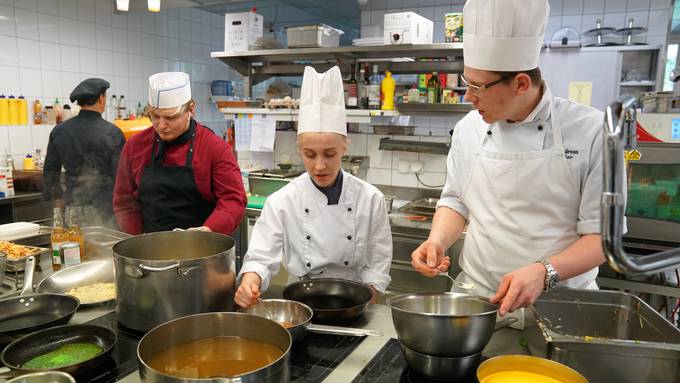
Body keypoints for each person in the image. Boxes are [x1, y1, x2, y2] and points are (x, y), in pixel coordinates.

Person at [411, 0, 621, 317]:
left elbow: (602, 238)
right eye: (467, 83)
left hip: (559, 308)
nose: (469, 97)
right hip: (478, 304)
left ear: (521, 83)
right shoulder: (468, 129)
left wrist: (544, 271)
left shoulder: (592, 131)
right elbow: (456, 200)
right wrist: (437, 241)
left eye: (478, 87)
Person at [235, 66, 392, 308]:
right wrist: (250, 281)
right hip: (300, 302)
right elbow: (261, 258)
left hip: (356, 303)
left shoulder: (371, 199)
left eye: (329, 154)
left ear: (344, 147)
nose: (319, 165)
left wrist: (364, 303)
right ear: (300, 150)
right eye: (309, 154)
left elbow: (378, 263)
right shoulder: (282, 201)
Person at [113, 72, 246, 235]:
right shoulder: (135, 146)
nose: (161, 125)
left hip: (203, 250)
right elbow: (124, 202)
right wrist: (137, 241)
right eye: (155, 116)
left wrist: (206, 232)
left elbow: (233, 200)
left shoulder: (214, 148)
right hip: (148, 252)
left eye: (171, 117)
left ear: (191, 109)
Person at [43, 78, 125, 228]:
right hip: (105, 207)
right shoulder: (112, 132)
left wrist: (57, 199)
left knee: (74, 247)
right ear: (101, 98)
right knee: (104, 248)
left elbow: (50, 172)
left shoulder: (59, 131)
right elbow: (122, 175)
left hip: (73, 204)